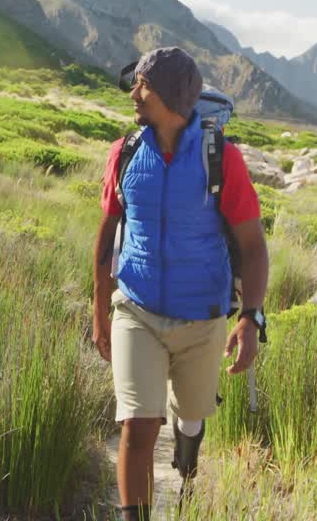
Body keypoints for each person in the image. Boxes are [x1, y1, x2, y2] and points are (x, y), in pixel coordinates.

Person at [91, 47, 269, 521]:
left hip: (202, 318)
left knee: (188, 419)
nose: (133, 94)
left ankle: (187, 457)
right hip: (136, 309)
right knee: (139, 424)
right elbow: (107, 236)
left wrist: (250, 318)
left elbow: (252, 247)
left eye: (142, 86)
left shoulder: (222, 160)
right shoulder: (125, 152)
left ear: (168, 94)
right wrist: (99, 312)